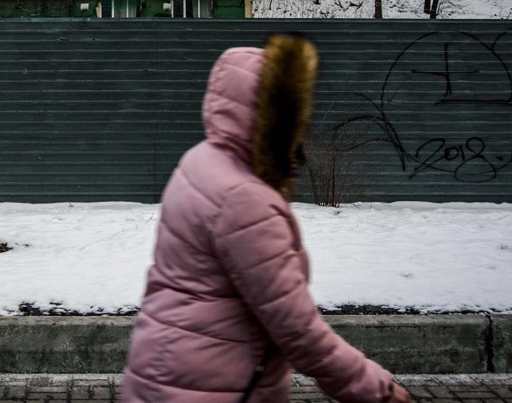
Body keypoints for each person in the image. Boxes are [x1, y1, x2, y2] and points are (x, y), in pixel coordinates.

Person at [122, 35, 413, 403]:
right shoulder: (244, 199)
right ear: (276, 118)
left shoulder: (201, 160)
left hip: (167, 365)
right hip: (210, 385)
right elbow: (297, 328)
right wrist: (376, 389)